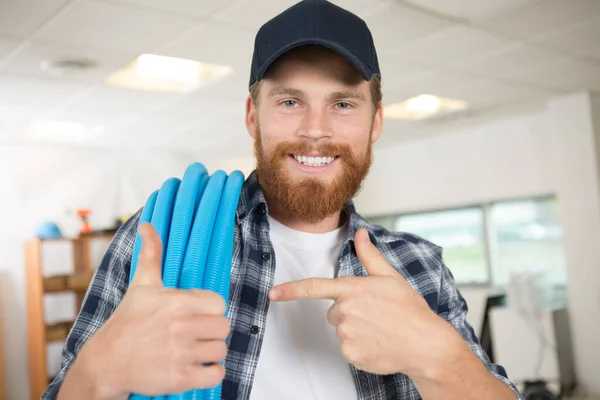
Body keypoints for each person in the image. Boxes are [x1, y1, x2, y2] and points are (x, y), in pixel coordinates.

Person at [44, 1, 522, 399]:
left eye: (343, 104)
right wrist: (99, 373)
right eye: (290, 102)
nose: (316, 129)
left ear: (375, 123)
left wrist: (437, 357)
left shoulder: (418, 266)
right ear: (253, 116)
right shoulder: (161, 239)